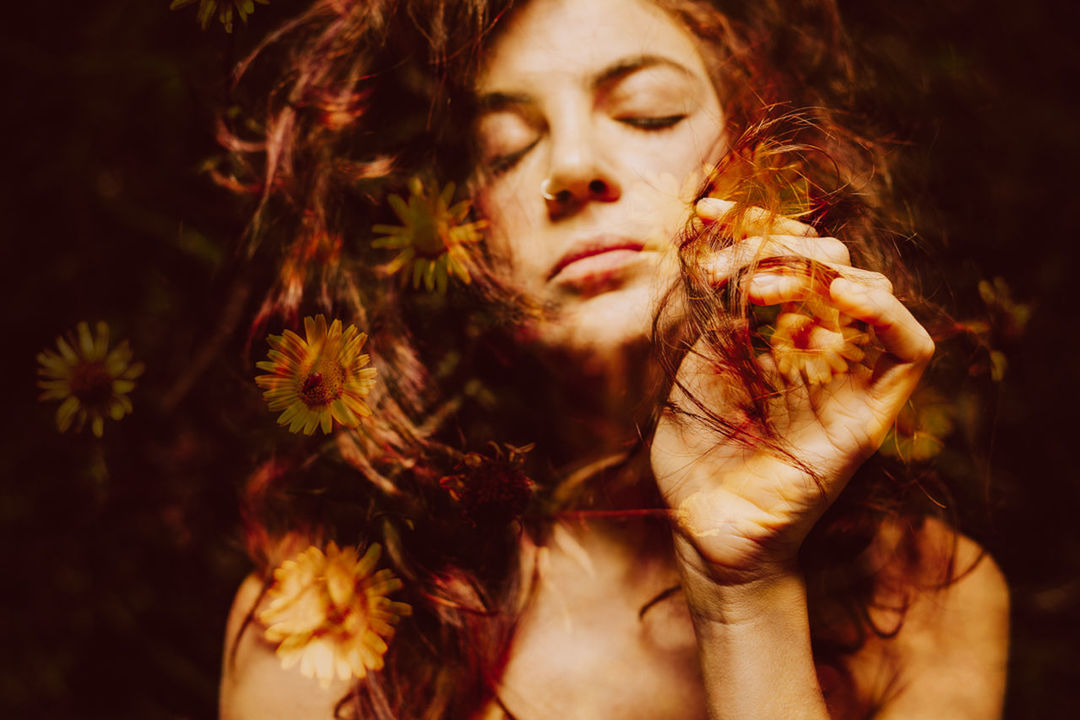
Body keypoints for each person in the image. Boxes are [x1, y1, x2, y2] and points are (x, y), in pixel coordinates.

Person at [219, 0, 1009, 717]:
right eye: (506, 149)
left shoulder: (938, 597)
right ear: (469, 234)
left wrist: (743, 593)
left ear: (758, 154)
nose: (570, 168)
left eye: (647, 112)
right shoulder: (323, 618)